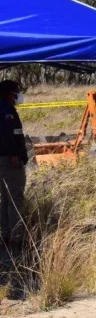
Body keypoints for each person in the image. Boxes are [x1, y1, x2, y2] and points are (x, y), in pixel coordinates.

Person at [0, 80, 27, 248]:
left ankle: (5, 235)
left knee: (5, 199)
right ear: (11, 94)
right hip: (10, 161)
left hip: (3, 160)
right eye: (17, 92)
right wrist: (14, 155)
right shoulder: (6, 110)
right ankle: (17, 239)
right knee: (15, 198)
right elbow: (8, 134)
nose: (19, 95)